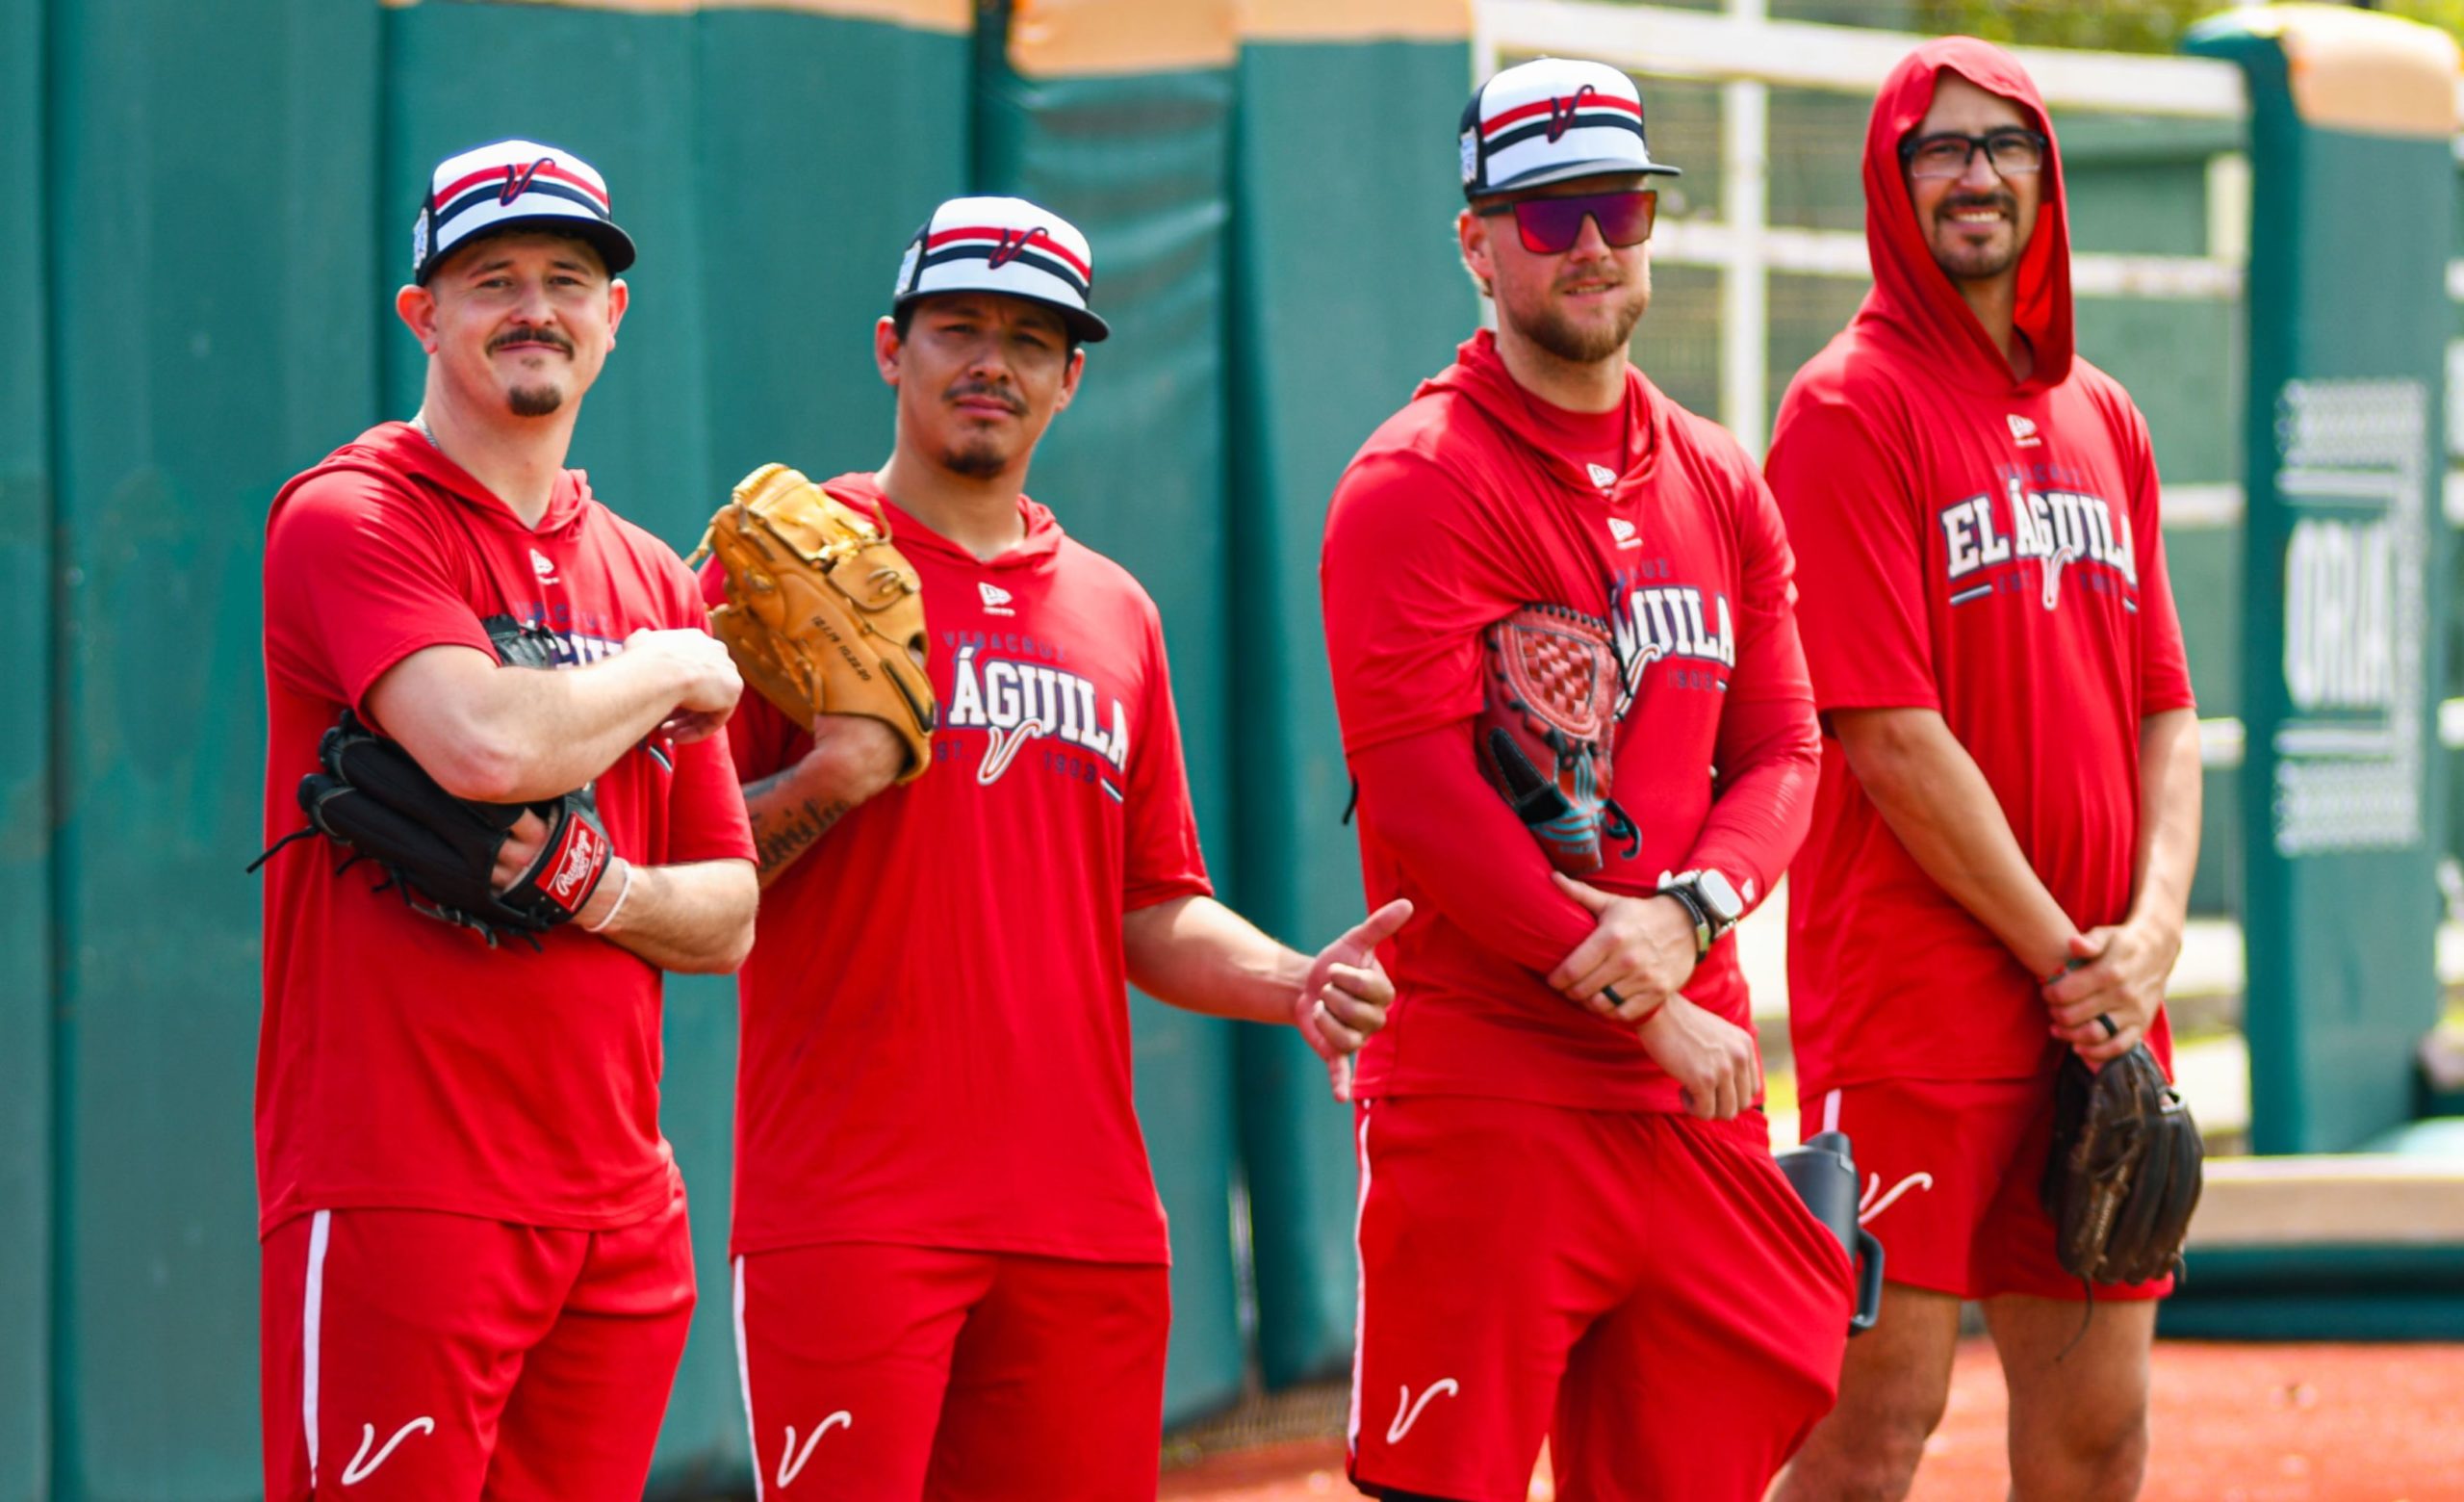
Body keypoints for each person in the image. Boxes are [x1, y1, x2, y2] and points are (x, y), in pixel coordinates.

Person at [714, 194, 1404, 1500]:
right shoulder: (788, 577)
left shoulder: (1116, 613)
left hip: (1081, 1222)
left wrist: (1292, 981)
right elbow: (692, 874)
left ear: (1073, 376)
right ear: (889, 348)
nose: (993, 361)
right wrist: (832, 775)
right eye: (958, 327)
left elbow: (1153, 903)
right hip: (850, 1209)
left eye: (1032, 340)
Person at [1321, 57, 1854, 1502]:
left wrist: (1686, 917)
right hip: (1495, 1093)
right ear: (1475, 239)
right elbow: (1425, 806)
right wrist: (1638, 997)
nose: (1594, 245)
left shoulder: (1717, 475)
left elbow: (1787, 748)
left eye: (1617, 205)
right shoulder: (1415, 479)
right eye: (1547, 218)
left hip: (1694, 1091)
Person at [254, 139, 758, 1499]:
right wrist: (676, 665)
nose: (535, 305)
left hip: (617, 1211)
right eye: (492, 278)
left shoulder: (649, 569)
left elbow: (727, 913)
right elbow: (478, 740)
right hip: (401, 1188)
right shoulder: (352, 515)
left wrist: (602, 888)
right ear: (422, 313)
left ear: (612, 317)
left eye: (567, 277)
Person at [1763, 39, 2200, 1502]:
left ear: (2046, 176)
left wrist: (2144, 946)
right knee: (1871, 1426)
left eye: (2005, 147)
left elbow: (2167, 713)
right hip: (1918, 997)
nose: (1976, 175)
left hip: (2099, 1003)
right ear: (1895, 185)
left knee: (2099, 1434)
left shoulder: (2106, 417)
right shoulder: (1845, 407)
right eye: (1940, 149)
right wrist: (2071, 955)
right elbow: (1885, 736)